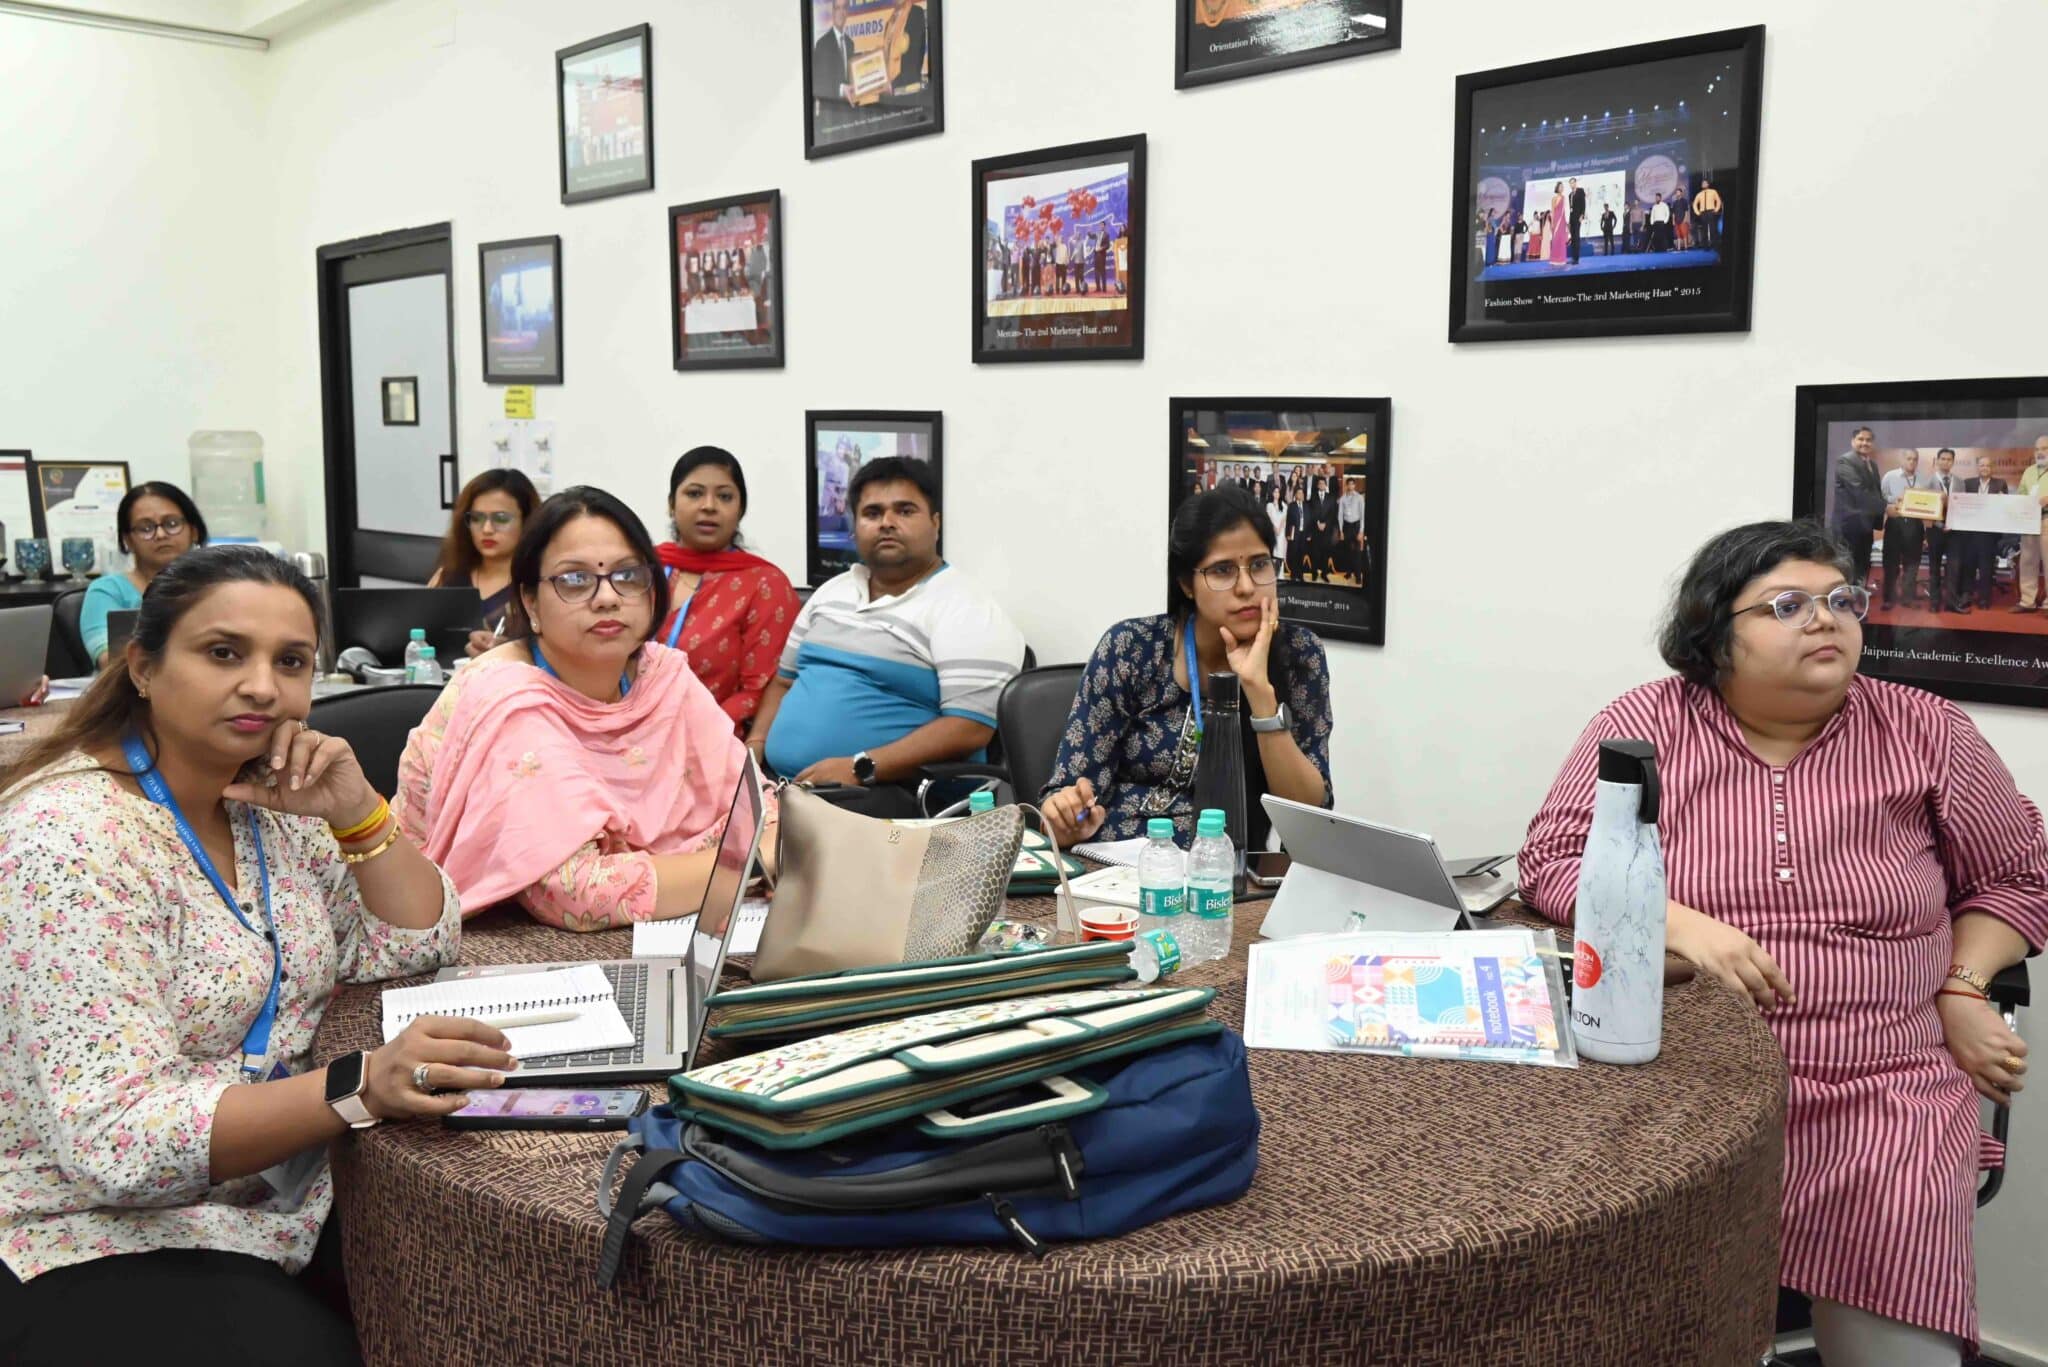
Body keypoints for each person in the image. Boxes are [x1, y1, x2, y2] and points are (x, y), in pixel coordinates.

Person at [1519, 520, 2043, 1366]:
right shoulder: (1646, 723)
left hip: (1880, 1086)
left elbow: (2017, 876)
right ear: (1713, 633)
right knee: (1628, 1289)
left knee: (1896, 1298)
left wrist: (1963, 984)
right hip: (1679, 1072)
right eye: (1788, 604)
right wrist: (1680, 922)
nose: (1825, 618)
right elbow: (1551, 861)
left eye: (1841, 600)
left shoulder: (1927, 732)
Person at [0, 545, 495, 1365]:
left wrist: (358, 812)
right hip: (91, 1229)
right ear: (143, 667)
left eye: (290, 661)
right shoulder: (69, 842)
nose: (263, 686)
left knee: (474, 1282)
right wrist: (358, 1085)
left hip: (277, 1197)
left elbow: (413, 947)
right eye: (224, 652)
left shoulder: (272, 801)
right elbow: (118, 1141)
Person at [393, 487, 760, 930]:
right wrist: (755, 863)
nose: (607, 597)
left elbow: (757, 806)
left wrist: (764, 847)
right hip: (486, 937)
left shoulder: (664, 677)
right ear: (530, 602)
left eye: (628, 575)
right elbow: (572, 891)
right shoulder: (509, 697)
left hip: (662, 921)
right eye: (574, 580)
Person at [1040, 487, 1333, 848]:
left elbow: (1309, 817)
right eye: (1222, 570)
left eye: (1259, 565)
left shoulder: (1299, 656)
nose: (1246, 587)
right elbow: (1068, 796)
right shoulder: (1132, 648)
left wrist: (1259, 691)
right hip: (1113, 864)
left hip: (1223, 869)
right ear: (1186, 584)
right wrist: (1066, 815)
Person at [749, 456, 1024, 819]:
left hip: (885, 792)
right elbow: (784, 683)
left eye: (905, 511)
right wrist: (754, 747)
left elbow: (969, 729)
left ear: (935, 523)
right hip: (781, 784)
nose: (887, 523)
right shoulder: (831, 593)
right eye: (872, 513)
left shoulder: (966, 609)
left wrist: (860, 766)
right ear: (854, 528)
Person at [652, 446, 800, 733]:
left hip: (711, 738)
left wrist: (690, 734)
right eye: (694, 493)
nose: (709, 506)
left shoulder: (765, 584)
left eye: (724, 496)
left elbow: (759, 690)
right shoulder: (641, 570)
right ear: (671, 504)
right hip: (621, 729)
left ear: (741, 509)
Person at [81, 480, 207, 666]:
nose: (161, 535)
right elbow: (111, 661)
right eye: (145, 528)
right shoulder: (108, 591)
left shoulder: (219, 585)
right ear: (128, 540)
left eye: (172, 524)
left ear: (194, 531)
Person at [429, 467, 539, 656]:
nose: (487, 529)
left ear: (527, 521)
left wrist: (509, 650)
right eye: (477, 518)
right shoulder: (448, 575)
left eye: (501, 518)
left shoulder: (538, 582)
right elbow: (419, 634)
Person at [1831, 425, 1886, 589]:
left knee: (1863, 564)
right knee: (1848, 567)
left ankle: (1859, 597)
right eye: (1860, 439)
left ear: (1872, 443)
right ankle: (1845, 600)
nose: (1865, 443)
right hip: (1849, 527)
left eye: (1868, 440)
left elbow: (1875, 491)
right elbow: (1859, 491)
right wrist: (1886, 507)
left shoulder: (1872, 464)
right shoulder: (1845, 461)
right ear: (1853, 441)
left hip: (1865, 526)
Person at [1954, 454, 2010, 610]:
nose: (1985, 468)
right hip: (1970, 533)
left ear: (1992, 468)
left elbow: (2006, 509)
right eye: (1982, 465)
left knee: (1986, 568)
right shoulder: (1968, 483)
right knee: (1968, 566)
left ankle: (1984, 598)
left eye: (1988, 465)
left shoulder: (2000, 484)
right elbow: (1960, 505)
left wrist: (2003, 500)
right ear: (1977, 467)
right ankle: (1966, 595)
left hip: (1988, 534)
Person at [1879, 448, 1932, 607]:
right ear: (1902, 460)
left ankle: (1908, 597)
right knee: (1891, 563)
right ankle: (1889, 598)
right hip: (1896, 523)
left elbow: (1928, 501)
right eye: (1909, 458)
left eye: (1915, 459)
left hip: (1915, 524)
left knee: (1912, 564)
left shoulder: (1923, 478)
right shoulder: (1890, 476)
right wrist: (1898, 499)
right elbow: (1881, 497)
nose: (1912, 462)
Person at [1925, 448, 1963, 612]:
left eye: (1949, 459)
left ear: (1953, 462)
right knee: (1934, 568)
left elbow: (1962, 507)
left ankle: (1951, 603)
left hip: (1955, 532)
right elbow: (1926, 510)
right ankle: (1934, 602)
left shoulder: (1960, 482)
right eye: (1943, 459)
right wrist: (1941, 525)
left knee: (1954, 568)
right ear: (1937, 461)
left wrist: (1953, 524)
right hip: (1935, 531)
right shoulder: (1928, 482)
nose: (1946, 462)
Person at [2014, 435, 2048, 613]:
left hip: (2046, 519)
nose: (2040, 452)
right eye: (2037, 449)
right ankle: (2027, 601)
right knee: (2027, 561)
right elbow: (2021, 493)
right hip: (2029, 521)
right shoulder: (2029, 471)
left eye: (2044, 448)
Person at [811, 0, 854, 106]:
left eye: (844, 8)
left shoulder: (850, 43)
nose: (841, 12)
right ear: (833, 12)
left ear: (847, 12)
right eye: (837, 8)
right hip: (830, 111)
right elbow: (818, 85)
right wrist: (842, 90)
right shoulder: (822, 44)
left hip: (849, 109)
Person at [1337, 476, 1367, 585]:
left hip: (1356, 526)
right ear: (1346, 485)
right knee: (1348, 551)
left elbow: (1363, 515)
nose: (1350, 486)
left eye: (1352, 484)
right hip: (1346, 526)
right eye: (1348, 484)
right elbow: (1340, 515)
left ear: (1354, 485)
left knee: (1357, 552)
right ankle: (1349, 572)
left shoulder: (1359, 498)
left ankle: (1358, 576)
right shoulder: (1342, 499)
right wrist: (1341, 530)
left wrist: (1361, 531)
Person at [1693, 176, 1723, 251]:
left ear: (1708, 184)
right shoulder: (1699, 194)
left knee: (1713, 229)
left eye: (1705, 183)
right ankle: (1706, 247)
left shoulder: (1713, 191)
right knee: (1704, 230)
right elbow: (1694, 204)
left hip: (1711, 211)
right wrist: (1697, 212)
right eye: (1702, 183)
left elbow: (1718, 201)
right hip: (1703, 212)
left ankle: (1715, 245)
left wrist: (1716, 210)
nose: (1703, 184)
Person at [1266, 481, 1289, 572]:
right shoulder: (1269, 505)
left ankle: (1279, 573)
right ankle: (1272, 572)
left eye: (1278, 492)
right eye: (1275, 492)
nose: (1277, 494)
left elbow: (1284, 518)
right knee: (1273, 551)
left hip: (1281, 532)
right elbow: (1270, 519)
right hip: (1273, 531)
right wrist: (1275, 528)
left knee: (1280, 552)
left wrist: (1279, 529)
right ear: (1272, 493)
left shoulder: (1284, 505)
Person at [1567, 177, 1586, 265]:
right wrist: (1569, 221)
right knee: (1573, 238)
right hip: (1572, 218)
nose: (1572, 184)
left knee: (1577, 237)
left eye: (1573, 182)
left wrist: (1582, 215)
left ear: (1575, 183)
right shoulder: (1570, 195)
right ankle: (1573, 258)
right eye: (1570, 183)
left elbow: (1583, 203)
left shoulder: (1580, 191)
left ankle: (1577, 259)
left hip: (1578, 217)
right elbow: (1571, 209)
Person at [1548, 184, 1568, 266]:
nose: (1561, 188)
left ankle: (1562, 259)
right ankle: (1554, 259)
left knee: (1562, 239)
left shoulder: (1564, 197)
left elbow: (1564, 211)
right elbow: (1553, 211)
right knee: (1556, 240)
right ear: (1557, 188)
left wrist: (1566, 222)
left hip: (1562, 221)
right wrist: (1552, 223)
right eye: (1560, 187)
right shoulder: (1554, 198)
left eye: (1562, 187)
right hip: (1556, 220)